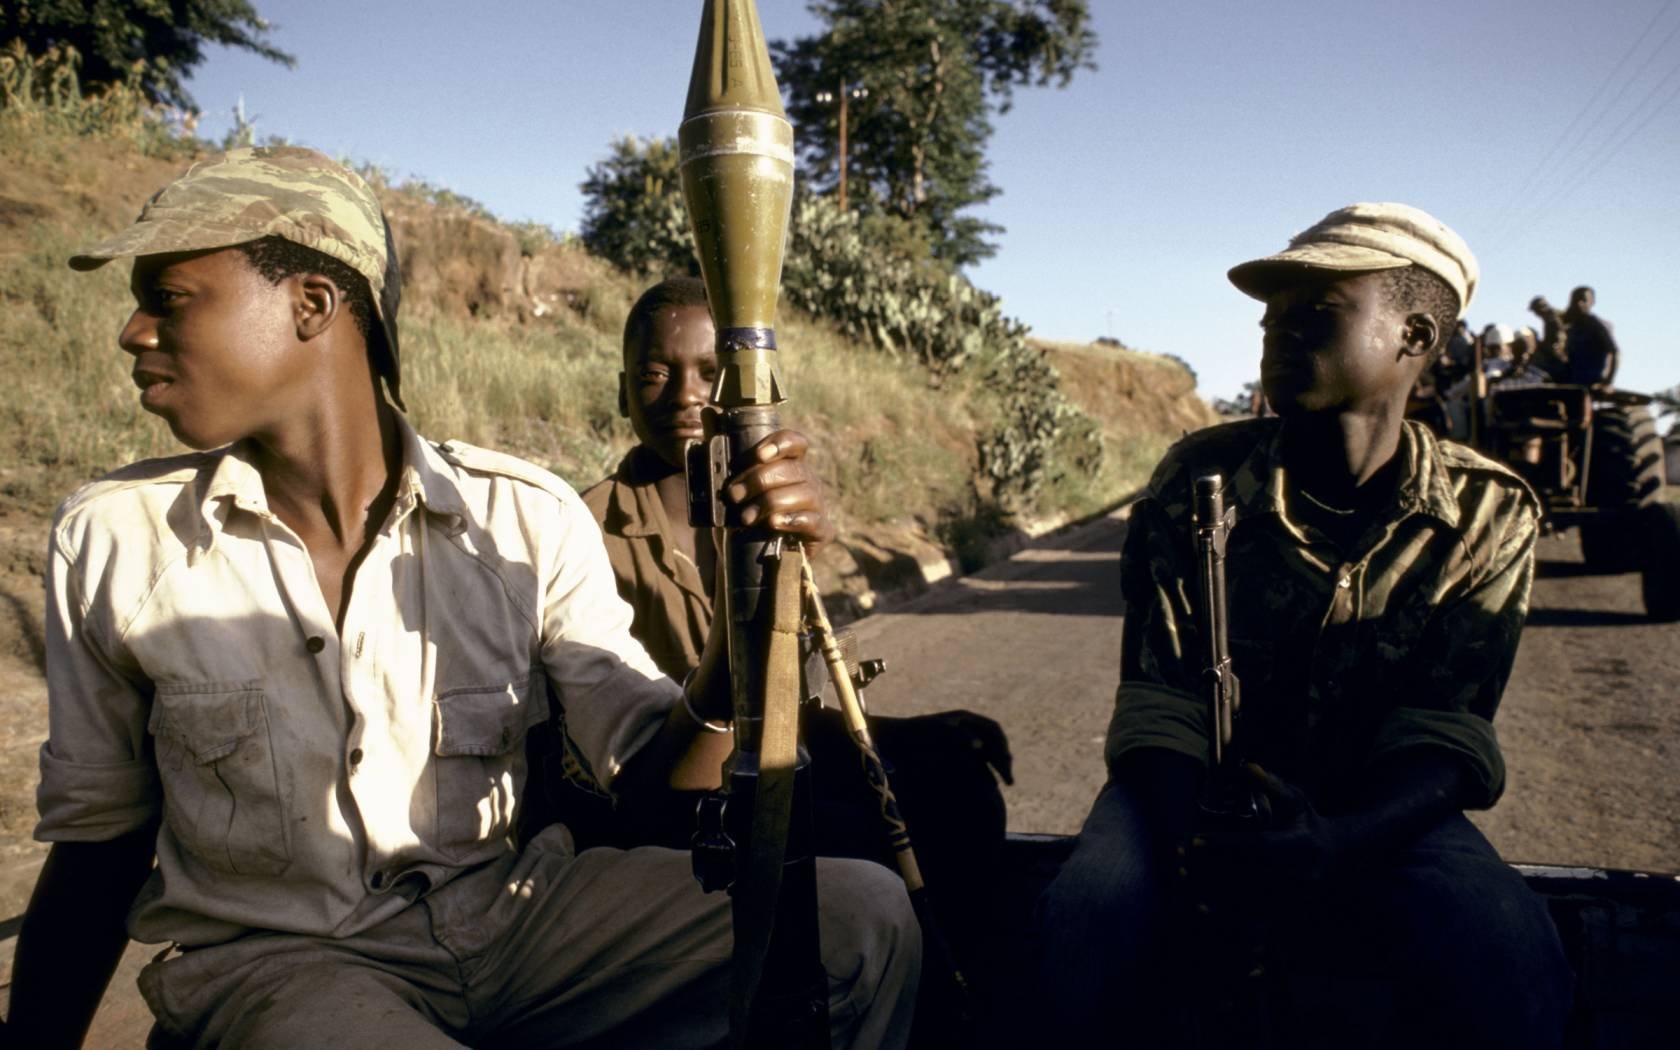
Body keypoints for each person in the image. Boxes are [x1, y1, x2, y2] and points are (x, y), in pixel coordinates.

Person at [9, 146, 918, 1050]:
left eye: (167, 299)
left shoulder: (521, 517)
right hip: (284, 967)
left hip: (514, 927)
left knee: (860, 920)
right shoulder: (117, 540)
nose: (132, 332)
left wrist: (750, 608)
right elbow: (99, 848)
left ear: (312, 304)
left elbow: (650, 781)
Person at [1038, 203, 1571, 1047]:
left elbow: (1445, 730)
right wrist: (1204, 849)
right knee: (1089, 910)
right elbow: (1160, 701)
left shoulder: (1488, 510)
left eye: (1316, 313)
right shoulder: (1199, 476)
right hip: (1192, 794)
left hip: (1381, 810)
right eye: (1270, 317)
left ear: (1416, 338)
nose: (1276, 334)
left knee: (1502, 942)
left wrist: (1338, 841)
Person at [574, 276, 1012, 973]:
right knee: (847, 844)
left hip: (778, 764)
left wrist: (898, 732)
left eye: (711, 373)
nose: (686, 394)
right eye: (655, 374)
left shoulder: (769, 509)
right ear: (623, 389)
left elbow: (791, 708)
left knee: (958, 779)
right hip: (675, 799)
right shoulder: (580, 533)